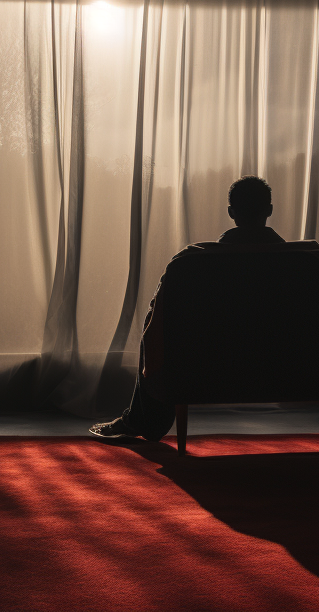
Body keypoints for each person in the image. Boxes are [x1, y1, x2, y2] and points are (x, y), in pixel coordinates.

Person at [89, 175, 285, 441]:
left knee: (156, 320)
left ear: (231, 213)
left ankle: (143, 421)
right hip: (283, 364)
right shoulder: (312, 264)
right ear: (270, 210)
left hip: (206, 370)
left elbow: (158, 328)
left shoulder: (191, 265)